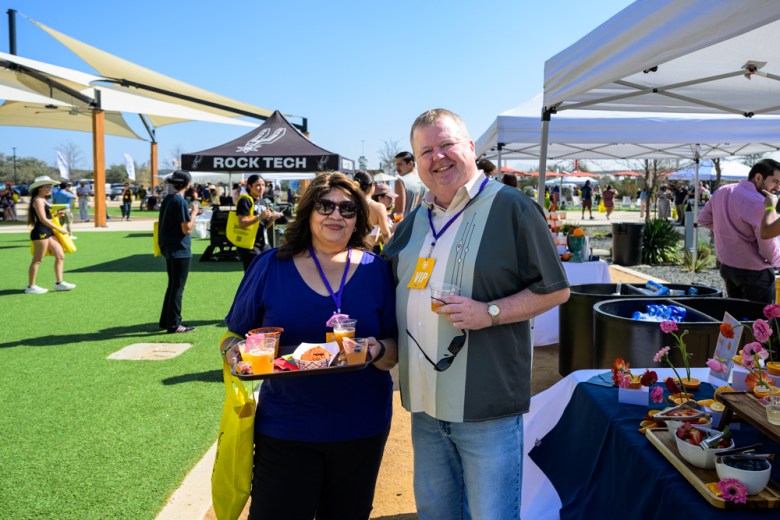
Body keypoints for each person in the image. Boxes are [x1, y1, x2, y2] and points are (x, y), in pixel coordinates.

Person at [382, 109, 570, 519]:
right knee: (437, 512)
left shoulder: (512, 207)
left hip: (487, 406)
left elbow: (556, 289)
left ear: (470, 147)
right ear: (416, 161)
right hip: (425, 404)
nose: (437, 157)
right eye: (425, 151)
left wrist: (491, 311)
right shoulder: (413, 221)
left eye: (446, 144)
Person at [220, 171, 398, 520]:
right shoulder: (270, 265)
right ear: (308, 212)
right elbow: (233, 335)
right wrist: (233, 353)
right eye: (325, 206)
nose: (336, 215)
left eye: (348, 209)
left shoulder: (376, 270)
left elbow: (393, 352)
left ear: (358, 218)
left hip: (360, 426)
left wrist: (376, 350)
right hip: (286, 427)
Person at [699, 159, 780, 303]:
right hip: (755, 272)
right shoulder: (763, 203)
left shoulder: (723, 191)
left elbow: (703, 219)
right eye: (775, 181)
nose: (778, 187)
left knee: (736, 314)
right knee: (758, 317)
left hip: (728, 266)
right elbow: (768, 248)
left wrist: (729, 232)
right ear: (758, 177)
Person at [157, 170, 200, 333]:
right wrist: (194, 213)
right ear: (187, 184)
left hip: (169, 247)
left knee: (173, 286)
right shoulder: (179, 200)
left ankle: (166, 320)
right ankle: (174, 324)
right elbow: (186, 228)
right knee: (177, 288)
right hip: (180, 249)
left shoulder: (169, 198)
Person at [26, 176, 76, 294]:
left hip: (48, 232)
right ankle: (31, 286)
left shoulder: (43, 199)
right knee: (37, 259)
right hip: (41, 232)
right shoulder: (38, 200)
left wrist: (56, 215)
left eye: (50, 187)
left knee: (60, 255)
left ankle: (59, 283)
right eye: (47, 187)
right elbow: (42, 219)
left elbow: (47, 217)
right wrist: (60, 229)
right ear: (39, 188)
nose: (50, 189)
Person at [235, 174, 283, 271]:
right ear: (249, 186)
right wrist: (259, 217)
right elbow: (242, 222)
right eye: (258, 185)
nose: (261, 188)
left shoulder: (263, 201)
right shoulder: (245, 200)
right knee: (253, 274)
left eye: (263, 185)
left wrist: (273, 218)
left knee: (268, 270)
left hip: (263, 243)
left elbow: (264, 226)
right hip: (249, 245)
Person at [354, 170, 393, 254]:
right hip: (370, 253)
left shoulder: (348, 204)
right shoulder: (378, 207)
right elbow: (387, 238)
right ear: (371, 186)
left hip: (351, 252)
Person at [393, 151, 426, 219]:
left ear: (410, 164)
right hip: (424, 223)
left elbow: (399, 212)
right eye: (396, 165)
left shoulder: (401, 181)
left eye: (400, 164)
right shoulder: (425, 179)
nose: (397, 168)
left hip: (407, 223)